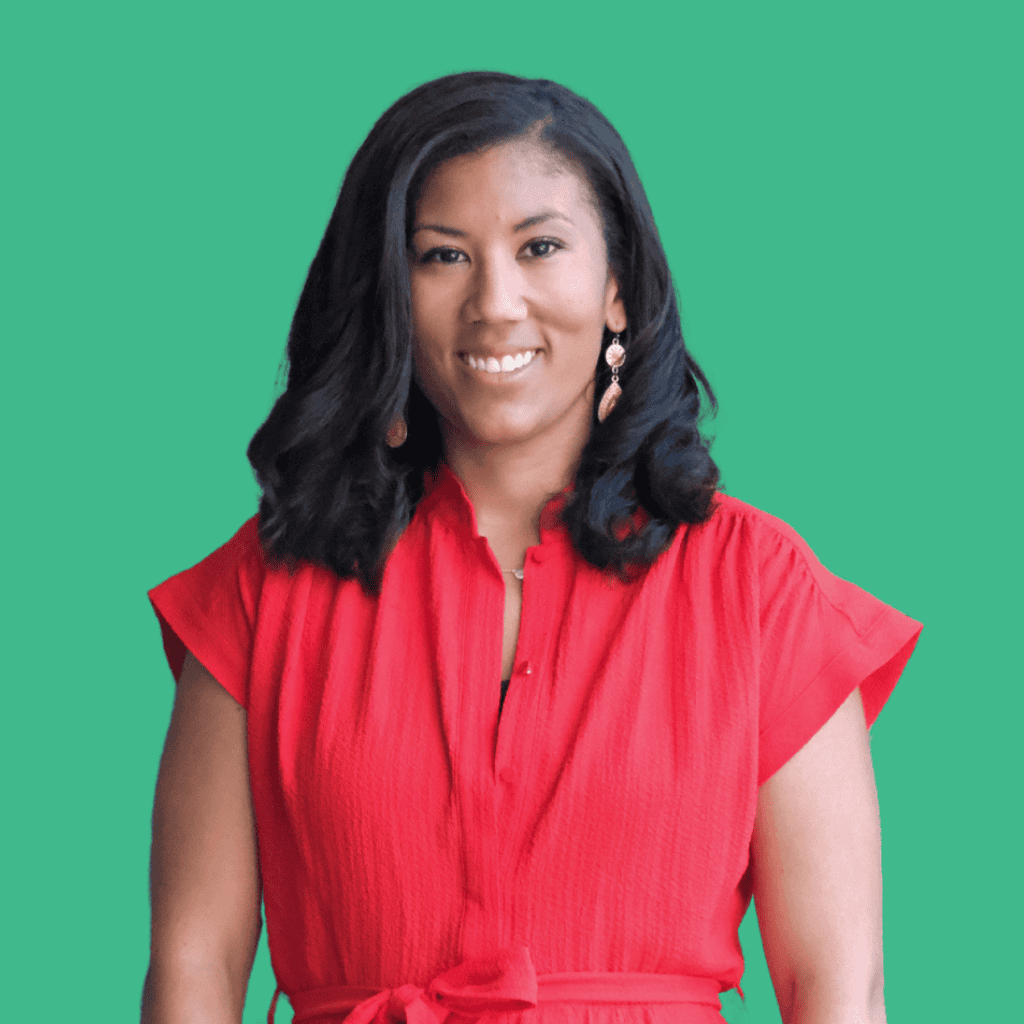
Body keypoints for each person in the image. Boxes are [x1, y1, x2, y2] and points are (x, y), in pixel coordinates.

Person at [142, 72, 922, 1024]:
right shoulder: (264, 588)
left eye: (540, 247)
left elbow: (838, 988)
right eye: (442, 257)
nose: (495, 304)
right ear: (389, 292)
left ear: (618, 290)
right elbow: (195, 966)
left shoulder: (759, 589)